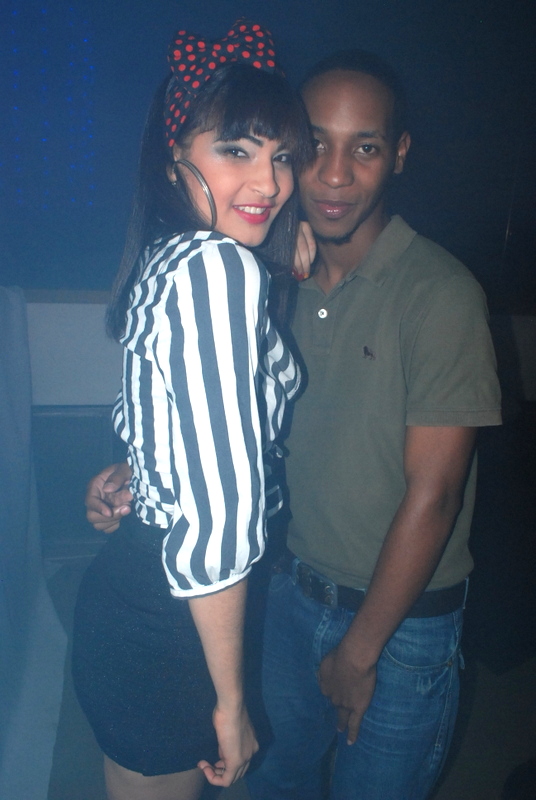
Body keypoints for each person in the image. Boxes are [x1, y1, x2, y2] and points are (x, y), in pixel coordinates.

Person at [86, 49, 502, 800]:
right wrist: (144, 475)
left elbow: (435, 496)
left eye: (364, 147)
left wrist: (360, 651)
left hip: (395, 624)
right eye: (311, 148)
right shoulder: (257, 274)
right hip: (277, 595)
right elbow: (204, 431)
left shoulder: (438, 292)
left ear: (399, 154)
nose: (329, 175)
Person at [72, 19, 313, 800]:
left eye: (282, 156)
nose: (270, 183)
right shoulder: (215, 270)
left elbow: (159, 416)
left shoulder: (175, 258)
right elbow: (221, 513)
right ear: (175, 156)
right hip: (173, 620)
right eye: (236, 150)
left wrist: (136, 472)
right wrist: (233, 703)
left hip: (141, 595)